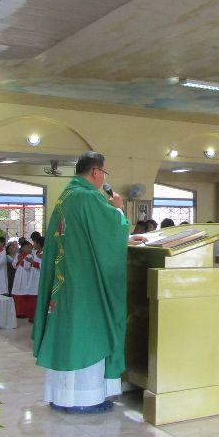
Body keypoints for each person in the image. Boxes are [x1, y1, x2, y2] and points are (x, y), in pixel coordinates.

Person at [33, 151, 138, 413]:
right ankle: (85, 398)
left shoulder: (66, 196)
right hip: (85, 286)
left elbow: (87, 238)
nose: (104, 177)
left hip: (68, 282)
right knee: (89, 334)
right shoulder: (89, 197)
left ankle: (63, 396)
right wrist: (118, 210)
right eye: (104, 172)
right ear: (95, 172)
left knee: (68, 335)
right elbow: (111, 230)